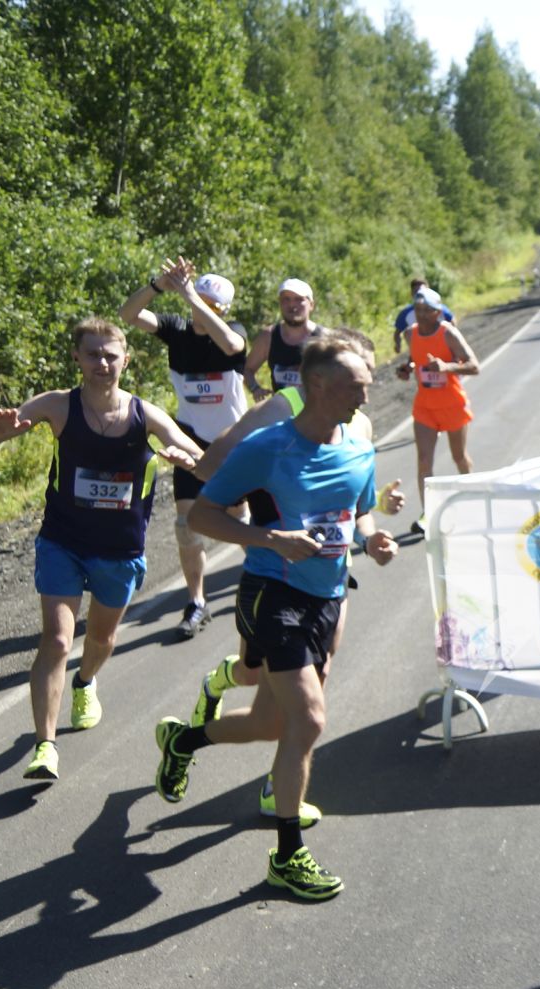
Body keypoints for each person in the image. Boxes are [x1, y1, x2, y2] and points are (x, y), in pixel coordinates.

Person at [153, 334, 397, 901]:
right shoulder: (267, 447)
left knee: (273, 724)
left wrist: (374, 538)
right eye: (357, 383)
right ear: (318, 385)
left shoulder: (361, 446)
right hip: (274, 593)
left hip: (329, 598)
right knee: (309, 721)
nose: (367, 391)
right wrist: (269, 538)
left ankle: (184, 741)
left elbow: (356, 515)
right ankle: (287, 856)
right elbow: (205, 518)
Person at [0, 318, 203, 782]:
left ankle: (85, 681)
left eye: (110, 354)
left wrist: (184, 456)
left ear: (125, 359)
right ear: (76, 358)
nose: (102, 363)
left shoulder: (144, 414)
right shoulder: (58, 406)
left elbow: (192, 449)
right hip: (63, 541)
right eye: (92, 354)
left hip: (119, 550)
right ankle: (45, 746)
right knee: (57, 640)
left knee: (99, 640)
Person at [120, 256, 249, 638]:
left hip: (232, 442)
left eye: (211, 306)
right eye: (197, 301)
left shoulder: (233, 334)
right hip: (190, 440)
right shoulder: (176, 331)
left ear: (223, 311)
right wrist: (158, 286)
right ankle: (197, 602)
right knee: (186, 524)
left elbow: (230, 342)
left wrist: (191, 294)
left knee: (239, 518)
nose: (199, 311)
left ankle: (270, 573)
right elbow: (128, 315)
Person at [398, 286, 480, 533]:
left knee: (459, 457)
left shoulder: (448, 333)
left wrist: (446, 367)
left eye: (427, 311)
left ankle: (472, 500)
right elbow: (417, 360)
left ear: (437, 313)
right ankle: (428, 515)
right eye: (418, 310)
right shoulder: (409, 335)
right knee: (424, 462)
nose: (422, 315)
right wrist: (407, 368)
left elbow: (474, 366)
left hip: (452, 404)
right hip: (425, 407)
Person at [245, 277, 320, 398]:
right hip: (281, 412)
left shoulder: (325, 338)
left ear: (311, 305)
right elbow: (247, 369)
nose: (292, 305)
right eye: (286, 299)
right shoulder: (268, 337)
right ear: (280, 303)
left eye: (299, 299)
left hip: (317, 413)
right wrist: (255, 388)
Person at [393, 277, 454, 357]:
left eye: (422, 291)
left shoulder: (439, 309)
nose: (420, 294)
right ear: (411, 294)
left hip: (443, 350)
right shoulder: (406, 313)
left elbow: (452, 322)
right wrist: (398, 345)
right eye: (416, 292)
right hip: (420, 353)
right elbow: (397, 332)